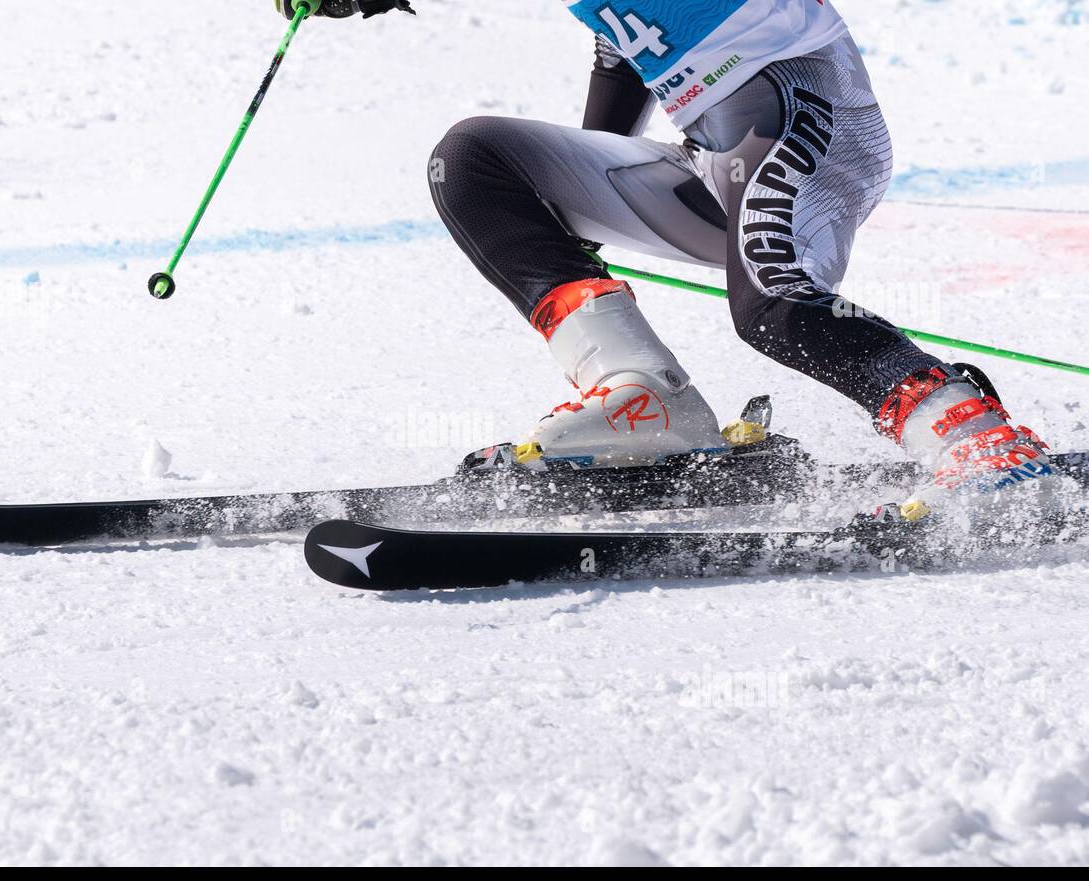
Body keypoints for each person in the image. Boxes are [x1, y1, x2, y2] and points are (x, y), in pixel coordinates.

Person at [284, 0, 1056, 521]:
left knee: (774, 312)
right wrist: (574, 202)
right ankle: (642, 401)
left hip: (808, 123)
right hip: (712, 159)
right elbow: (623, 44)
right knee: (476, 159)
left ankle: (968, 431)